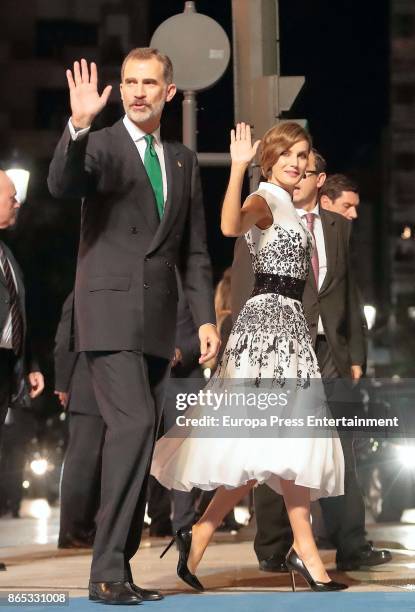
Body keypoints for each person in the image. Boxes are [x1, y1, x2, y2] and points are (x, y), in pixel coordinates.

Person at [48, 48, 220, 605]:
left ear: (170, 91)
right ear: (120, 90)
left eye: (149, 82)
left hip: (160, 324)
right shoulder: (97, 145)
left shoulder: (183, 161)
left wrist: (206, 319)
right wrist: (77, 125)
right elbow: (62, 182)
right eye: (129, 82)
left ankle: (117, 570)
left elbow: (193, 250)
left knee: (140, 436)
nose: (138, 91)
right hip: (107, 316)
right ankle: (104, 570)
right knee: (134, 424)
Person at [152, 122, 347, 593]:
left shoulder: (292, 207)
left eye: (304, 155)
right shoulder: (265, 197)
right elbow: (227, 226)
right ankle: (304, 550)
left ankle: (200, 533)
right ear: (271, 159)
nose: (298, 163)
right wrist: (237, 168)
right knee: (280, 444)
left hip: (288, 331)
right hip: (265, 336)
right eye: (289, 155)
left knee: (274, 449)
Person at [231, 156, 391, 572]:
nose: (296, 176)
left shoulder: (338, 228)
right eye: (291, 168)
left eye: (305, 171)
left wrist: (357, 354)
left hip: (330, 354)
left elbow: (349, 293)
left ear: (318, 180)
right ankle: (272, 549)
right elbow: (244, 285)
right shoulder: (264, 214)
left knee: (340, 450)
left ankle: (352, 545)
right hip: (281, 349)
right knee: (276, 446)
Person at [0, 170, 45, 571]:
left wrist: (27, 364)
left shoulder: (7, 256)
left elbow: (17, 316)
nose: (18, 203)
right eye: (11, 196)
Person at [54, 292, 103, 549]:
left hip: (105, 388)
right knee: (82, 463)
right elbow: (65, 339)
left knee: (98, 464)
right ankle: (72, 530)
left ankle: (87, 528)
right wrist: (62, 383)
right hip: (84, 387)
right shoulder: (80, 289)